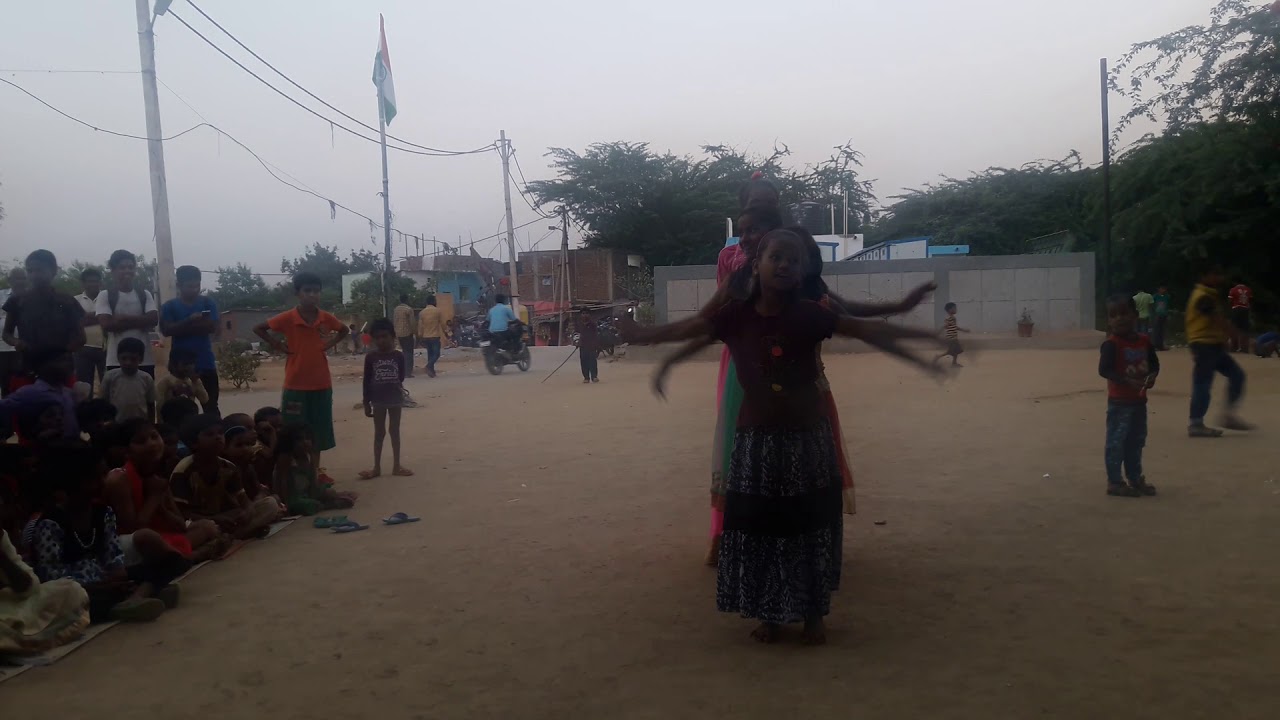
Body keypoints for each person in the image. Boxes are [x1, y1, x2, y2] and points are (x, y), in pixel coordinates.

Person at [623, 229, 942, 644]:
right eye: (777, 256)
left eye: (794, 259)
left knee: (808, 528)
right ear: (757, 264)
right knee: (760, 528)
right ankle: (769, 616)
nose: (785, 264)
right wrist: (643, 336)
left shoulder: (811, 314)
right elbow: (689, 329)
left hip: (807, 442)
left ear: (804, 269)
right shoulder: (735, 316)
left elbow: (868, 331)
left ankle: (813, 617)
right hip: (755, 443)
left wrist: (924, 346)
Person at [29, 442, 186, 623]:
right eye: (94, 478)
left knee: (174, 560)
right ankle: (143, 592)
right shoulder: (51, 523)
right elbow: (53, 579)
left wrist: (117, 579)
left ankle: (135, 596)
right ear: (72, 482)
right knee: (77, 603)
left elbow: (114, 558)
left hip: (106, 581)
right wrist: (102, 587)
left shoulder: (103, 513)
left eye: (104, 474)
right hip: (80, 591)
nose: (103, 482)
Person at [254, 272, 349, 472]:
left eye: (316, 291)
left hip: (321, 384)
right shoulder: (288, 318)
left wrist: (328, 344)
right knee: (292, 433)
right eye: (307, 290)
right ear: (297, 293)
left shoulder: (325, 318)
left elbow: (344, 330)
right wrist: (278, 345)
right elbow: (259, 328)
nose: (312, 295)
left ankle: (314, 473)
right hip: (295, 385)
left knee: (318, 433)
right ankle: (295, 474)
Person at [103, 418, 223, 562]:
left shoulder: (156, 476)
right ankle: (191, 557)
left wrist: (162, 506)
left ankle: (178, 556)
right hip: (130, 543)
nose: (152, 444)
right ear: (126, 452)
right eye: (141, 441)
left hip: (161, 536)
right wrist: (154, 497)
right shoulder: (119, 479)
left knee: (207, 526)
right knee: (148, 538)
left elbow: (180, 525)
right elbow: (133, 530)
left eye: (154, 437)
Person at [171, 415, 281, 540]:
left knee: (270, 504)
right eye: (210, 434)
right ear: (193, 443)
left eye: (220, 433)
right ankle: (231, 536)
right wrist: (214, 519)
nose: (218, 437)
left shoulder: (228, 467)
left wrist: (247, 511)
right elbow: (182, 513)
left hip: (225, 517)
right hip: (200, 521)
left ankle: (229, 537)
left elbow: (244, 502)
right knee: (207, 527)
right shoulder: (184, 471)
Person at [1098, 295, 1160, 498]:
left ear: (1135, 315)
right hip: (1119, 404)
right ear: (1108, 320)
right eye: (1113, 315)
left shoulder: (1144, 341)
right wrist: (1125, 380)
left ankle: (1135, 478)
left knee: (1136, 441)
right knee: (1116, 443)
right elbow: (1104, 370)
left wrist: (1152, 376)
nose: (1119, 318)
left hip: (1139, 402)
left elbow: (1154, 363)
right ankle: (1115, 482)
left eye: (1124, 313)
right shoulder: (1111, 344)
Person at [1, 250, 85, 388]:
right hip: (27, 368)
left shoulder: (67, 301)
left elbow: (81, 338)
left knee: (60, 401)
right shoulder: (17, 301)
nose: (34, 275)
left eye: (39, 270)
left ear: (53, 271)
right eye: (30, 271)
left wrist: (60, 353)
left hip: (60, 371)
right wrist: (16, 342)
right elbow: (6, 334)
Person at [1186, 264, 1252, 437]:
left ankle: (1228, 415)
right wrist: (1236, 335)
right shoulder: (1202, 296)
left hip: (1213, 345)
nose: (1220, 278)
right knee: (1203, 383)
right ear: (1204, 276)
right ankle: (1196, 423)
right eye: (1215, 274)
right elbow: (1217, 319)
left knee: (1237, 375)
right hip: (1203, 345)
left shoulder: (1209, 295)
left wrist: (1223, 340)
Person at [0, 526, 89, 654]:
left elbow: (31, 587)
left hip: (17, 605)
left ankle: (19, 643)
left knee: (72, 591)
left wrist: (2, 557)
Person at [160, 265, 221, 417]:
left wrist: (180, 327)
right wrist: (190, 320)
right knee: (180, 409)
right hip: (179, 367)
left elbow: (212, 327)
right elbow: (166, 330)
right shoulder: (170, 306)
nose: (194, 290)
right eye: (190, 286)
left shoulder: (207, 302)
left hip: (205, 363)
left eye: (197, 286)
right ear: (179, 285)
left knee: (211, 406)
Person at [360, 318, 412, 479]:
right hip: (378, 401)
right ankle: (376, 467)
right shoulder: (370, 357)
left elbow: (401, 376)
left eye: (384, 336)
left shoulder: (399, 356)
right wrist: (366, 402)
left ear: (392, 336)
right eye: (377, 338)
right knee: (379, 433)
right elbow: (366, 380)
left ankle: (397, 466)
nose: (381, 340)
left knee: (394, 431)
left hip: (395, 399)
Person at [96, 250, 158, 377]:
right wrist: (141, 321)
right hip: (116, 359)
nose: (127, 271)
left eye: (130, 267)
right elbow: (107, 325)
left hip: (144, 359)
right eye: (122, 267)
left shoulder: (144, 294)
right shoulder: (105, 295)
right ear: (113, 270)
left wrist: (122, 319)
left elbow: (153, 320)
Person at [272, 424, 355, 516]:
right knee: (307, 505)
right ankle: (327, 505)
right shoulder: (286, 459)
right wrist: (285, 506)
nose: (305, 442)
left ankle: (331, 500)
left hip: (306, 492)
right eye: (299, 439)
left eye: (307, 438)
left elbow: (313, 482)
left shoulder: (309, 456)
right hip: (292, 496)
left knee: (330, 492)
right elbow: (283, 485)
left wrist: (318, 494)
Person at [0, 349, 80, 441]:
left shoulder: (68, 392)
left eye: (70, 360)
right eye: (62, 360)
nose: (69, 364)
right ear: (43, 366)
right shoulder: (30, 393)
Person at [100, 337, 155, 421]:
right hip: (116, 424)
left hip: (140, 424)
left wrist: (151, 424)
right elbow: (103, 403)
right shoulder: (110, 377)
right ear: (118, 358)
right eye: (124, 358)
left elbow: (151, 404)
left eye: (133, 359)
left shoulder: (146, 378)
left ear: (141, 359)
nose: (128, 362)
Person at [73, 268, 107, 394]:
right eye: (90, 281)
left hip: (106, 348)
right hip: (82, 349)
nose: (93, 284)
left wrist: (86, 317)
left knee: (107, 385)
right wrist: (100, 316)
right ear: (83, 283)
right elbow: (75, 322)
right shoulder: (75, 300)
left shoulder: (108, 298)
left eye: (96, 281)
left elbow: (110, 319)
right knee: (84, 388)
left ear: (100, 283)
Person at [222, 420, 273, 501]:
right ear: (224, 448)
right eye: (239, 445)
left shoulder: (248, 467)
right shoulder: (225, 470)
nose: (245, 448)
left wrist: (260, 496)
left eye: (248, 444)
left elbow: (259, 491)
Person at [0, 267, 28, 397]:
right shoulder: (1, 295)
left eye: (23, 278)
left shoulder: (32, 297)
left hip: (24, 348)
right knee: (5, 383)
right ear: (9, 280)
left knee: (23, 384)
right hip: (2, 348)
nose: (20, 281)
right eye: (17, 278)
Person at [417, 294, 445, 378]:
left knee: (430, 354)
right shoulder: (438, 311)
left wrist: (420, 335)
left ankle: (432, 372)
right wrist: (447, 332)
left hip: (426, 336)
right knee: (436, 354)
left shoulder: (422, 313)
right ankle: (429, 366)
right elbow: (443, 324)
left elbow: (420, 326)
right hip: (435, 336)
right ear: (434, 302)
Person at [935, 302, 970, 366]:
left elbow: (955, 327)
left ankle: (954, 363)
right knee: (951, 351)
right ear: (949, 310)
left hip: (954, 337)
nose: (956, 310)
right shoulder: (950, 318)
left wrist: (963, 330)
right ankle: (938, 356)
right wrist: (939, 332)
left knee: (956, 350)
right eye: (954, 308)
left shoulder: (952, 318)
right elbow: (945, 326)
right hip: (951, 338)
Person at [393, 294, 416, 378]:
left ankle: (401, 370)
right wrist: (414, 332)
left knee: (403, 352)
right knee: (409, 353)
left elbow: (395, 321)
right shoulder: (409, 309)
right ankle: (408, 372)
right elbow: (412, 322)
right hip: (407, 333)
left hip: (398, 333)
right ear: (407, 300)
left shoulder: (396, 309)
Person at [1228, 280, 1252, 353]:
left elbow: (1230, 300)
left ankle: (1233, 347)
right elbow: (1249, 300)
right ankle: (1245, 348)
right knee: (1245, 329)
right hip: (1245, 309)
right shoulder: (1248, 289)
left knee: (1234, 328)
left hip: (1236, 309)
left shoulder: (1233, 289)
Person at [577, 310, 600, 383]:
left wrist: (596, 344)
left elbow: (596, 335)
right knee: (584, 361)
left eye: (586, 313)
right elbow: (576, 334)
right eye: (583, 313)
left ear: (589, 315)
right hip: (582, 346)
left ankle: (594, 376)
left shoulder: (593, 324)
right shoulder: (579, 324)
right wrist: (577, 342)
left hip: (591, 345)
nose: (585, 315)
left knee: (592, 361)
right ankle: (586, 377)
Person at [1151, 286, 1171, 350]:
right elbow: (1151, 305)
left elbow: (1168, 306)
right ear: (1158, 289)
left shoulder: (1167, 296)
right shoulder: (1155, 296)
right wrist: (1153, 313)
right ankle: (1155, 345)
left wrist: (1168, 314)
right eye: (1162, 288)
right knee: (1156, 331)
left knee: (1163, 331)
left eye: (1164, 289)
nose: (1163, 290)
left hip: (1164, 315)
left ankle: (1161, 345)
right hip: (1157, 315)